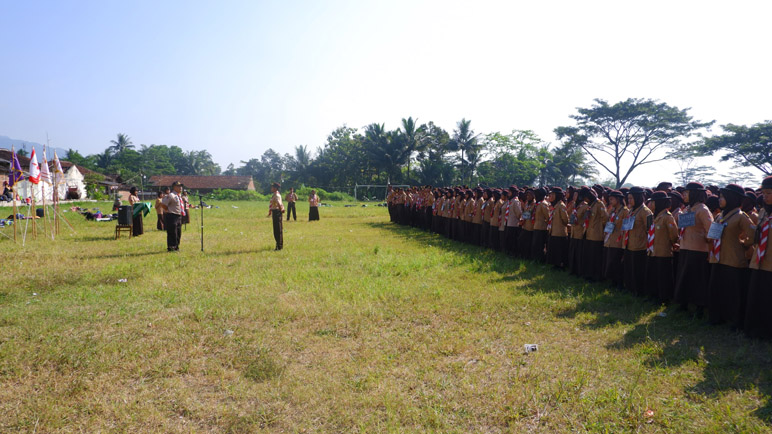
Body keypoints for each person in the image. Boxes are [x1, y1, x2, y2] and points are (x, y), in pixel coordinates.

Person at [707, 184, 754, 328]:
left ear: (731, 198)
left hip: (733, 260)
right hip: (718, 258)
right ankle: (717, 317)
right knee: (717, 290)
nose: (720, 200)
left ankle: (734, 321)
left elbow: (752, 235)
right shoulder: (720, 216)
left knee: (733, 293)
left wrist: (743, 244)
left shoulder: (741, 216)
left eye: (723, 197)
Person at [673, 182, 713, 312]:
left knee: (697, 279)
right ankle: (683, 303)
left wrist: (706, 241)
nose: (684, 195)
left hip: (698, 250)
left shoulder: (702, 209)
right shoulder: (687, 209)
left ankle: (699, 306)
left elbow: (711, 231)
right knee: (684, 277)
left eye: (687, 193)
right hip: (685, 247)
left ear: (694, 193)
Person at [744, 175, 772, 339]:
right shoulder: (763, 212)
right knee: (757, 296)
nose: (765, 196)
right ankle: (755, 329)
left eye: (769, 193)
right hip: (759, 261)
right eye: (764, 193)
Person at [644, 191, 679, 302]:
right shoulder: (653, 217)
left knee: (663, 276)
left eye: (653, 202)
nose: (650, 204)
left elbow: (674, 235)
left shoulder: (667, 217)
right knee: (652, 274)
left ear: (659, 203)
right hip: (652, 250)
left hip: (663, 251)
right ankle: (652, 294)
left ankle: (663, 298)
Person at [160, 181, 184, 251]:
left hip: (178, 216)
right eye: (178, 186)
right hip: (172, 215)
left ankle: (176, 246)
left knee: (178, 232)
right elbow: (163, 204)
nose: (180, 188)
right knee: (172, 232)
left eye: (181, 186)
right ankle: (171, 247)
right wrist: (167, 210)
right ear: (174, 187)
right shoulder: (171, 195)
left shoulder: (179, 196)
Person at [268, 182, 285, 250]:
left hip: (277, 212)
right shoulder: (275, 194)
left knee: (278, 230)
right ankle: (278, 245)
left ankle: (279, 246)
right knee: (276, 229)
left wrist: (280, 211)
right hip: (275, 212)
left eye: (272, 187)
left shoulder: (277, 195)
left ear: (275, 188)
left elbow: (279, 203)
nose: (271, 188)